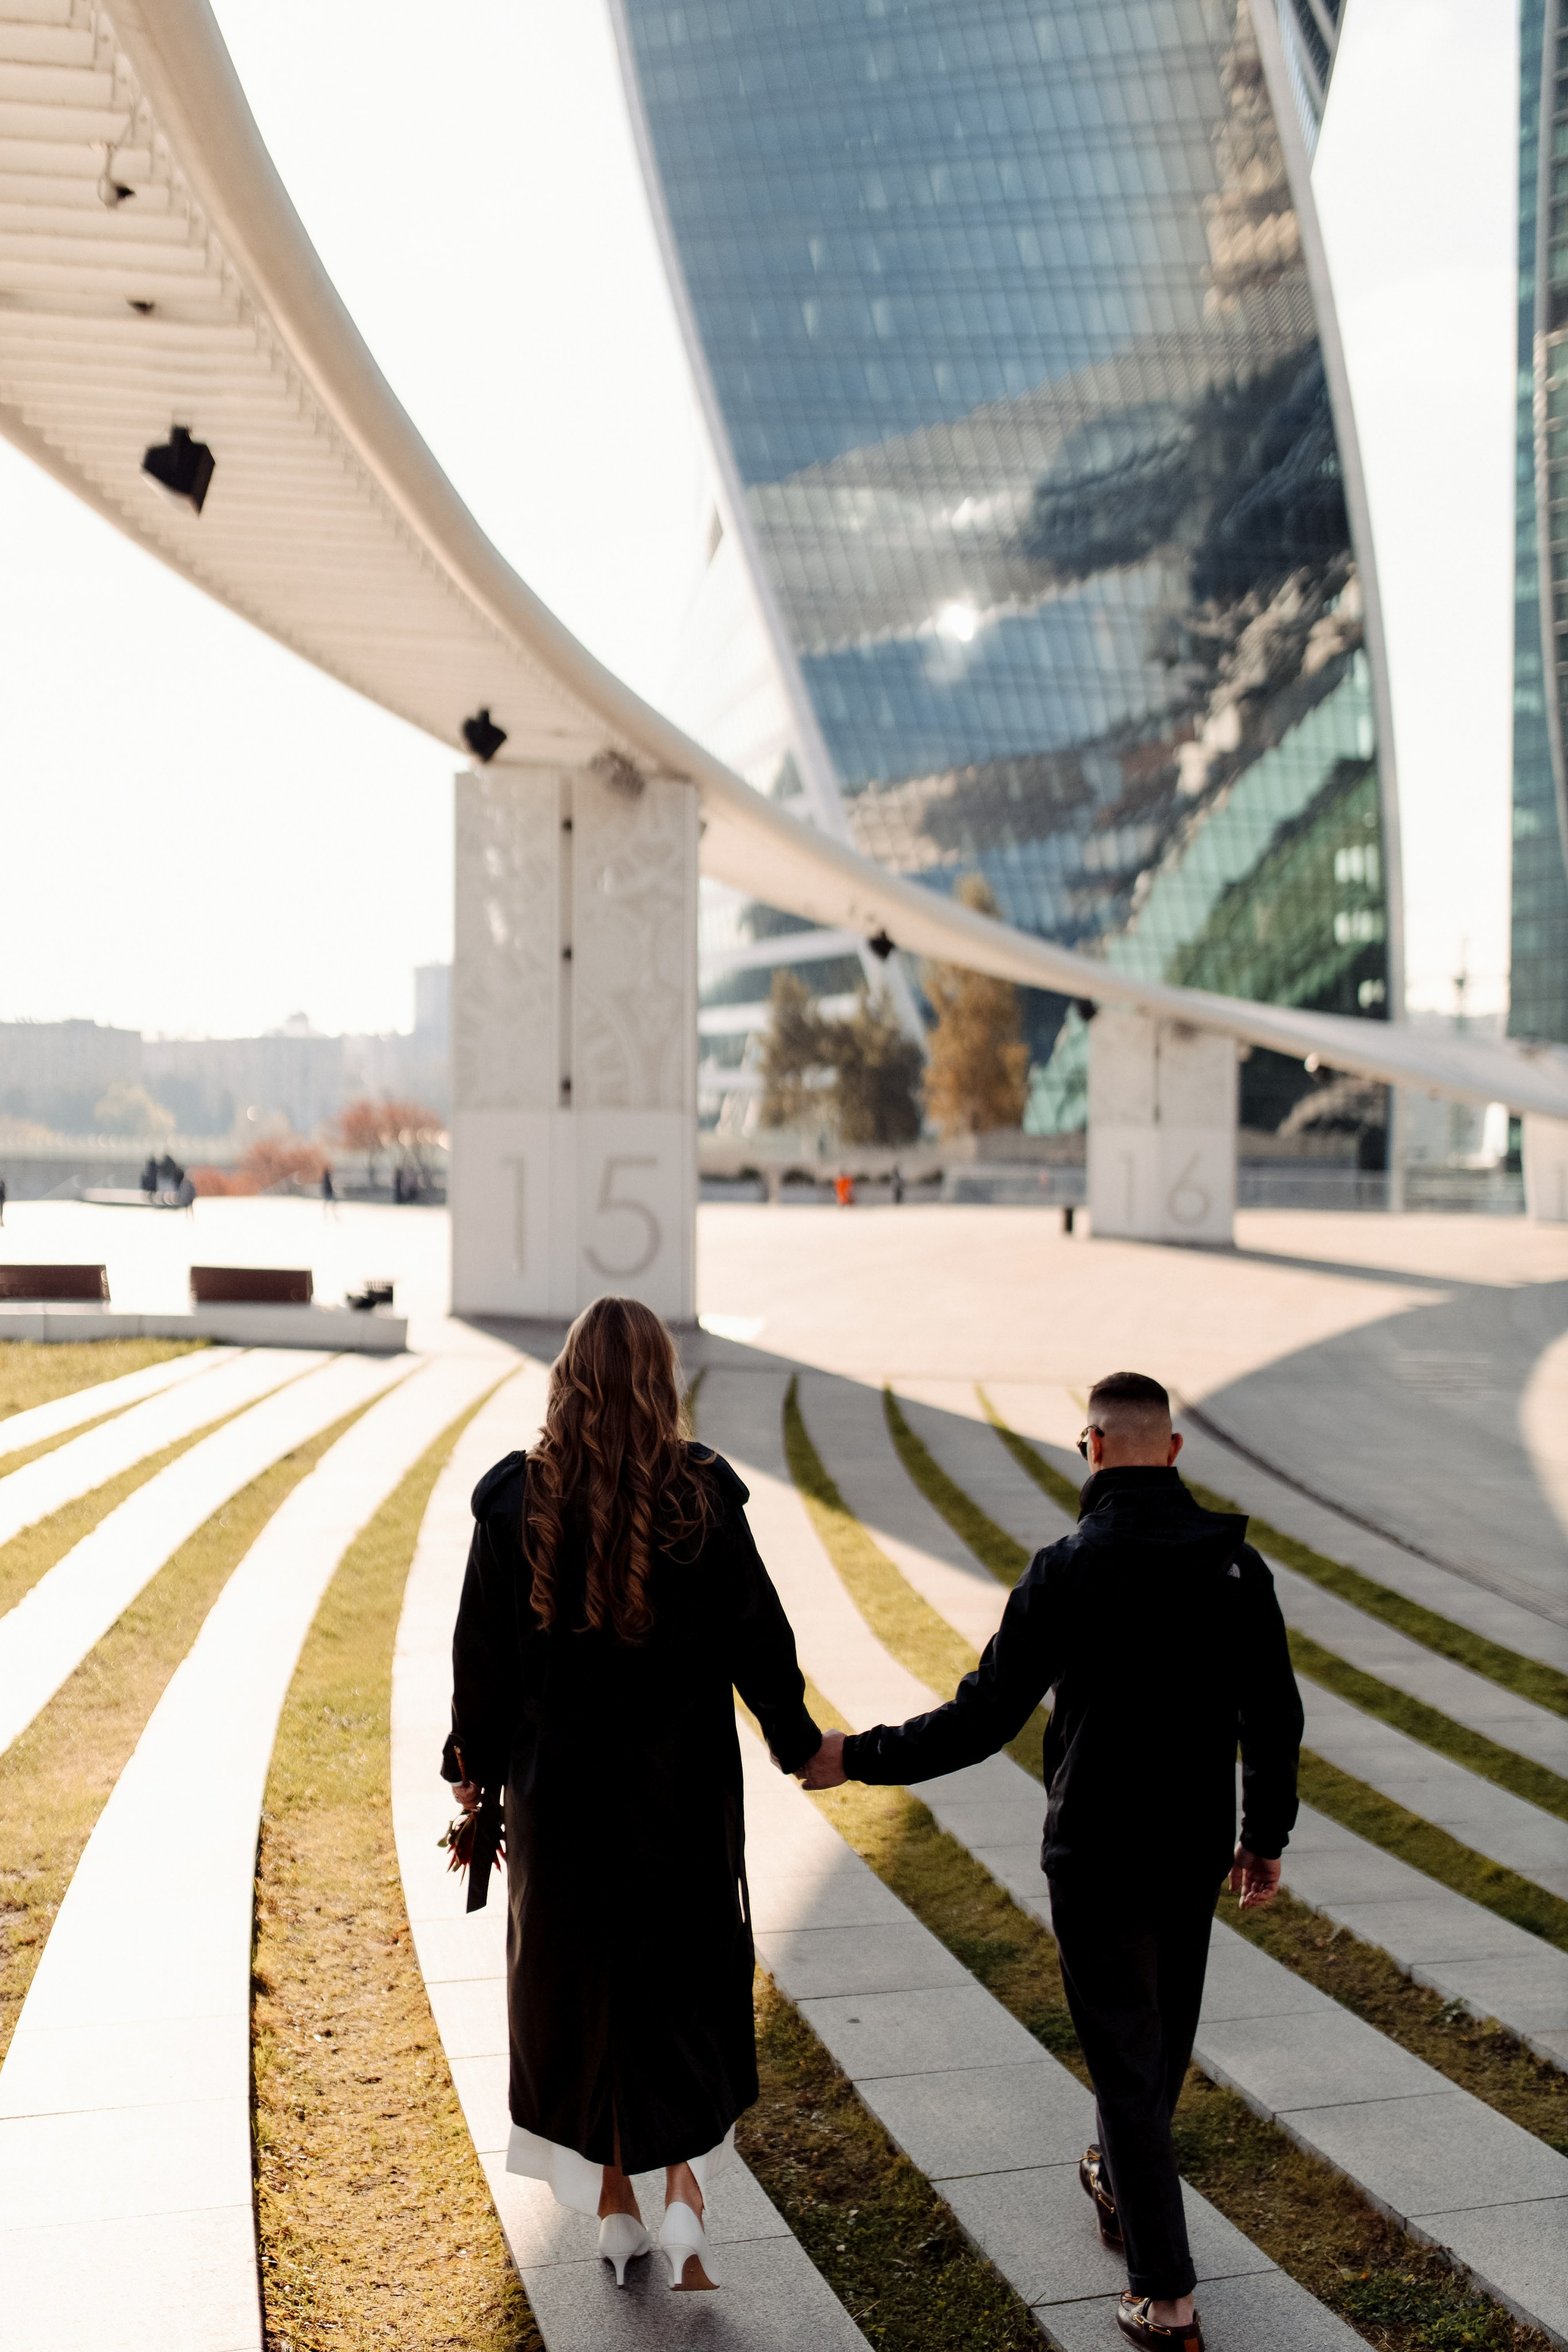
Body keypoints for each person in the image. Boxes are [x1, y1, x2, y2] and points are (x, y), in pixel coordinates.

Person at [801, 1370, 1302, 2352]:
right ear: (1172, 1450)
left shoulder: (1066, 1567)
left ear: (1092, 1447)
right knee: (1152, 2055)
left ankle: (1168, 2303)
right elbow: (1273, 1717)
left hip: (1098, 1848)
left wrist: (856, 1755)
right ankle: (1121, 2180)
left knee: (1130, 2061)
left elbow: (984, 1717)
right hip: (1191, 1844)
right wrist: (1263, 1836)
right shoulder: (1236, 1569)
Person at [442, 1295, 821, 2296]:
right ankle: (684, 2194)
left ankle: (617, 2208)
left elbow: (480, 1666)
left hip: (560, 1805)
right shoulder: (703, 1497)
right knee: (677, 1987)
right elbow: (761, 1640)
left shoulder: (515, 1503)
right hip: (680, 1802)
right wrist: (798, 1744)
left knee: (581, 1993)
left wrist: (472, 1772)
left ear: (566, 1381)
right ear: (661, 1382)